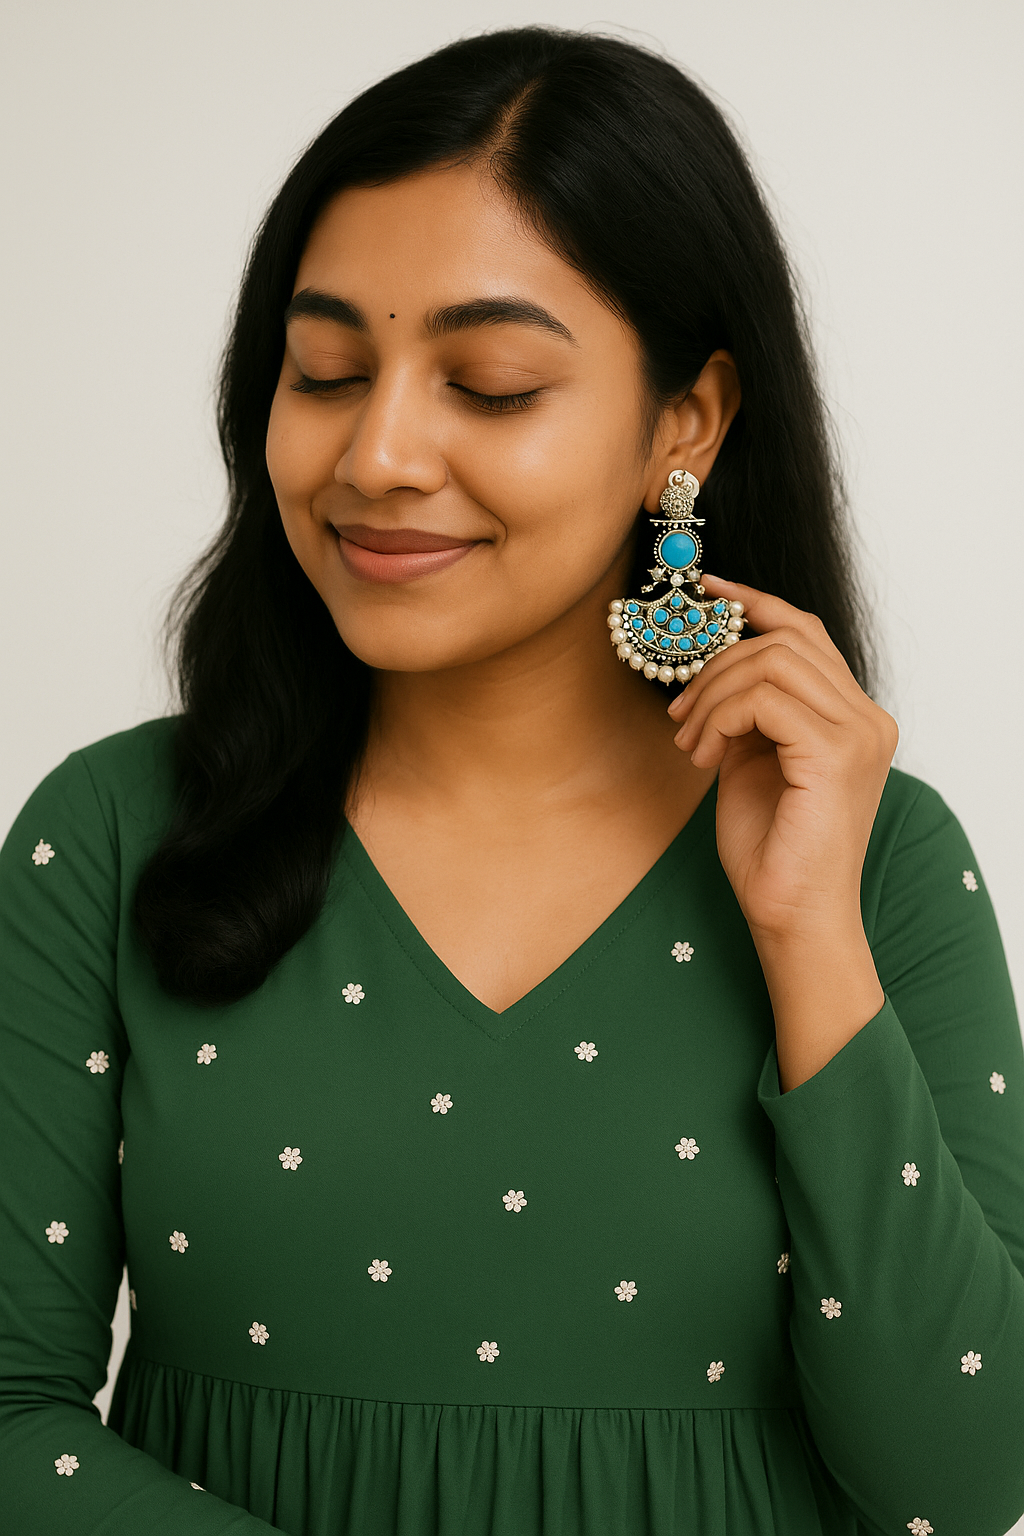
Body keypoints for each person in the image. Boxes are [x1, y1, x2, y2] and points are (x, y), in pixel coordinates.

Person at [2, 25, 1022, 1536]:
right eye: (327, 369)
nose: (381, 454)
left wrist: (810, 932)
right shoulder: (110, 836)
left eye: (486, 386)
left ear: (685, 424)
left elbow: (963, 1477)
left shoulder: (871, 856)